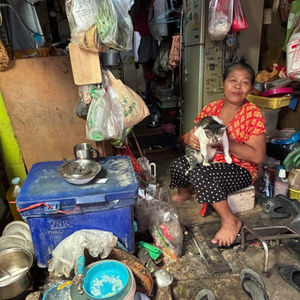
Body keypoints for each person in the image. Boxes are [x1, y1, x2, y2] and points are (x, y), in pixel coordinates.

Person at [169, 62, 266, 247]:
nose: (237, 86)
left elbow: (258, 156)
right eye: (233, 80)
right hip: (210, 159)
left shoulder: (254, 114)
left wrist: (224, 143)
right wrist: (189, 137)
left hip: (240, 167)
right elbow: (194, 135)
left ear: (250, 88)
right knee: (179, 165)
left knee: (202, 174)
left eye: (245, 82)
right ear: (223, 84)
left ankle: (231, 220)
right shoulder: (211, 108)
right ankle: (185, 192)